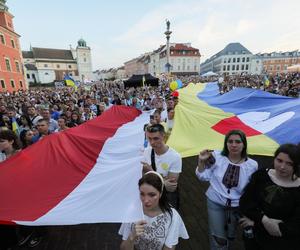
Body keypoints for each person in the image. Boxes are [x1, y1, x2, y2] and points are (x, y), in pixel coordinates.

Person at [195, 129, 258, 250]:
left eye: (238, 142)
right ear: (226, 143)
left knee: (230, 235)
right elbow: (203, 177)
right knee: (219, 238)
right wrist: (201, 162)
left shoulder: (252, 165)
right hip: (215, 202)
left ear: (244, 144)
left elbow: (251, 190)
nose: (233, 145)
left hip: (237, 206)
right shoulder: (216, 156)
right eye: (230, 141)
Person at [239, 143, 300, 250]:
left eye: (289, 164)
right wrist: (264, 220)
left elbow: (295, 226)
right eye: (279, 160)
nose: (282, 167)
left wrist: (256, 223)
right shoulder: (261, 175)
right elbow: (245, 203)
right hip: (254, 240)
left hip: (282, 243)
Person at [119, 171, 189, 250]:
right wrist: (132, 237)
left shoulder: (172, 217)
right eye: (142, 194)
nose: (146, 200)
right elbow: (123, 248)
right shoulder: (132, 211)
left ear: (161, 193)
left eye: (152, 195)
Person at [142, 124, 182, 209]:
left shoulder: (175, 157)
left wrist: (150, 171)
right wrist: (163, 182)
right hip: (150, 198)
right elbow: (142, 180)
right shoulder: (145, 152)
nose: (152, 142)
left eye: (156, 138)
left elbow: (171, 188)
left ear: (163, 136)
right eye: (149, 138)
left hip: (165, 199)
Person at [0, 130, 21, 249]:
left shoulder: (21, 155)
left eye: (2, 141)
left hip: (15, 194)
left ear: (11, 141)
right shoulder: (0, 155)